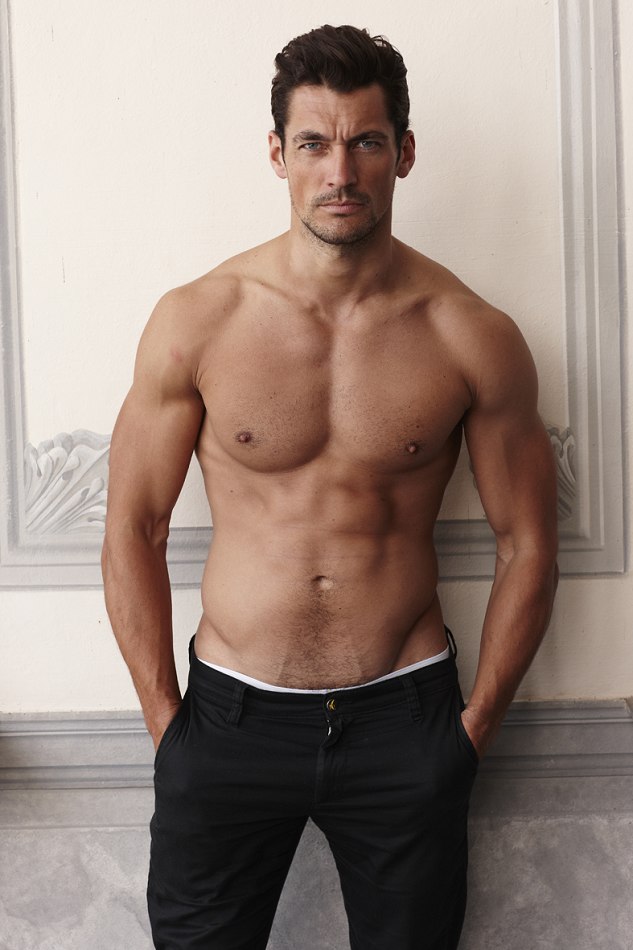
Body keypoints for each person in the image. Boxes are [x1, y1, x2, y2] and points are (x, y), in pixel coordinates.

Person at [102, 23, 558, 950]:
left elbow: (526, 544)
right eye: (313, 143)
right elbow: (134, 526)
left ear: (404, 153)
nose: (339, 172)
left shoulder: (470, 333)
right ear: (277, 154)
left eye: (366, 142)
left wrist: (469, 732)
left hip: (405, 720)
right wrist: (168, 727)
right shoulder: (198, 320)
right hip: (228, 719)